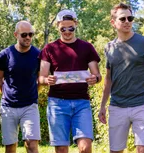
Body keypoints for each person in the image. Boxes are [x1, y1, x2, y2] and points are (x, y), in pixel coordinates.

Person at [98, 3, 144, 153]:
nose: (127, 21)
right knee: (115, 151)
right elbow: (108, 79)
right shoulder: (109, 47)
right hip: (117, 106)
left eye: (130, 18)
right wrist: (103, 105)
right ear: (113, 22)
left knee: (143, 150)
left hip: (142, 105)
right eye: (122, 19)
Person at [38, 9, 101, 153]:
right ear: (58, 27)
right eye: (63, 28)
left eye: (70, 28)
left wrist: (94, 78)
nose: (67, 31)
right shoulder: (49, 49)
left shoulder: (87, 47)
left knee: (85, 147)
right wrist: (47, 79)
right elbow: (41, 78)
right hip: (57, 104)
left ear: (76, 24)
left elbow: (97, 75)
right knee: (61, 149)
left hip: (82, 103)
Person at [0, 20, 41, 153]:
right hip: (8, 107)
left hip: (30, 106)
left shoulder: (38, 55)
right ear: (16, 35)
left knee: (31, 145)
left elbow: (40, 79)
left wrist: (33, 93)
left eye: (30, 34)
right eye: (24, 34)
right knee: (10, 147)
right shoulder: (4, 55)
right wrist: (5, 95)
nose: (28, 38)